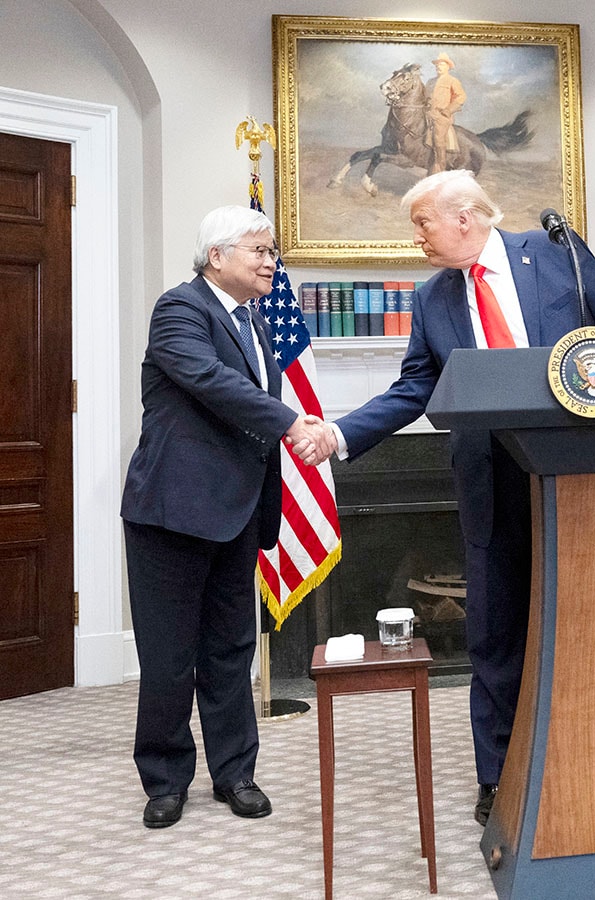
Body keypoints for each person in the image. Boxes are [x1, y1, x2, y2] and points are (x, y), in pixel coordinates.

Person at [298, 170, 595, 825]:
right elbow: (414, 388)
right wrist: (340, 433)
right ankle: (498, 777)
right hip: (490, 479)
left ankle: (589, 756)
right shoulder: (434, 297)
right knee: (494, 634)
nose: (418, 239)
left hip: (572, 474)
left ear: (464, 218)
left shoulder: (554, 254)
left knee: (583, 626)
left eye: (422, 223)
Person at [121, 206, 335, 828]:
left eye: (273, 251)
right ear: (217, 256)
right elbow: (210, 381)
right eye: (260, 251)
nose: (273, 261)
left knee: (230, 649)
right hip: (174, 511)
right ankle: (164, 780)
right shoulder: (180, 310)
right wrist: (292, 421)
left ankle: (235, 773)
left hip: (238, 511)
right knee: (169, 657)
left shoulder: (256, 322)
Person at [425, 52, 466, 174]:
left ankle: (439, 168)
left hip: (441, 116)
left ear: (448, 66)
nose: (438, 67)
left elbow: (461, 96)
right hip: (427, 113)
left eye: (441, 64)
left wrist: (448, 110)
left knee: (438, 139)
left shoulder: (452, 81)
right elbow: (425, 97)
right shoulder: (430, 82)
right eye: (437, 65)